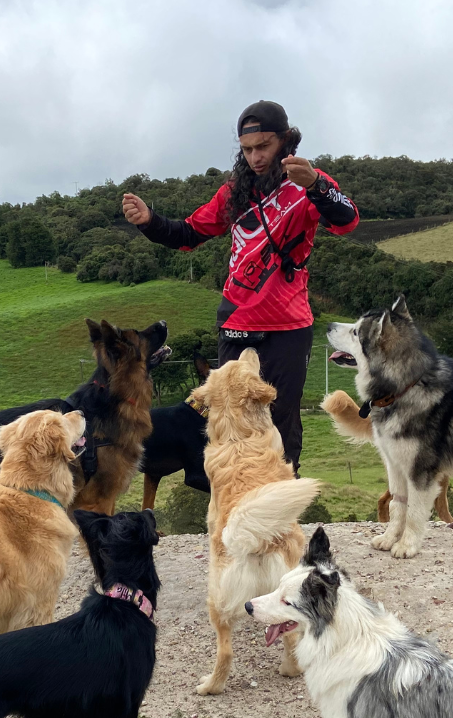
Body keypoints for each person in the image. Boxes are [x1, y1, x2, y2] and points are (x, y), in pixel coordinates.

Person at [122, 101, 359, 471]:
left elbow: (347, 221)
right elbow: (188, 234)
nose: (255, 157)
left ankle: (282, 498)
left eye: (263, 146)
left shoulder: (308, 185)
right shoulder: (234, 192)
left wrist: (317, 185)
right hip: (236, 321)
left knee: (281, 419)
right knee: (229, 419)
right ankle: (235, 498)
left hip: (288, 325)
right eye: (247, 149)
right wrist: (149, 221)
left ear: (285, 140)